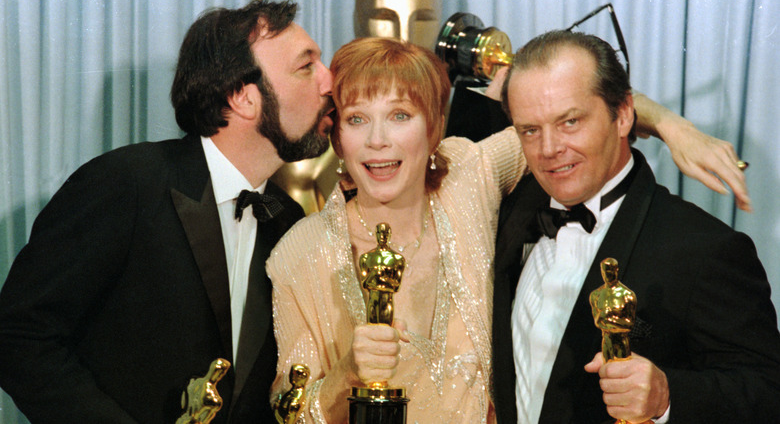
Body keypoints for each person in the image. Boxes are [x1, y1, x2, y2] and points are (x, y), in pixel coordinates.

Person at [266, 36, 753, 424]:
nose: (377, 141)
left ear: (434, 128)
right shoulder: (298, 255)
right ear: (336, 136)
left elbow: (567, 111)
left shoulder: (468, 173)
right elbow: (289, 407)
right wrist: (345, 377)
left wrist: (674, 128)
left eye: (399, 115)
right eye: (356, 119)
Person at [0, 0, 332, 423]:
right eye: (307, 67)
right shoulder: (126, 183)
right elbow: (18, 334)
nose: (328, 81)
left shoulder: (286, 219)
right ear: (242, 98)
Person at [491, 30, 780, 423]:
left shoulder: (704, 248)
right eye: (530, 130)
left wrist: (667, 396)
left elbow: (767, 392)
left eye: (570, 121)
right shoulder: (507, 210)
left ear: (624, 115)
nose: (548, 149)